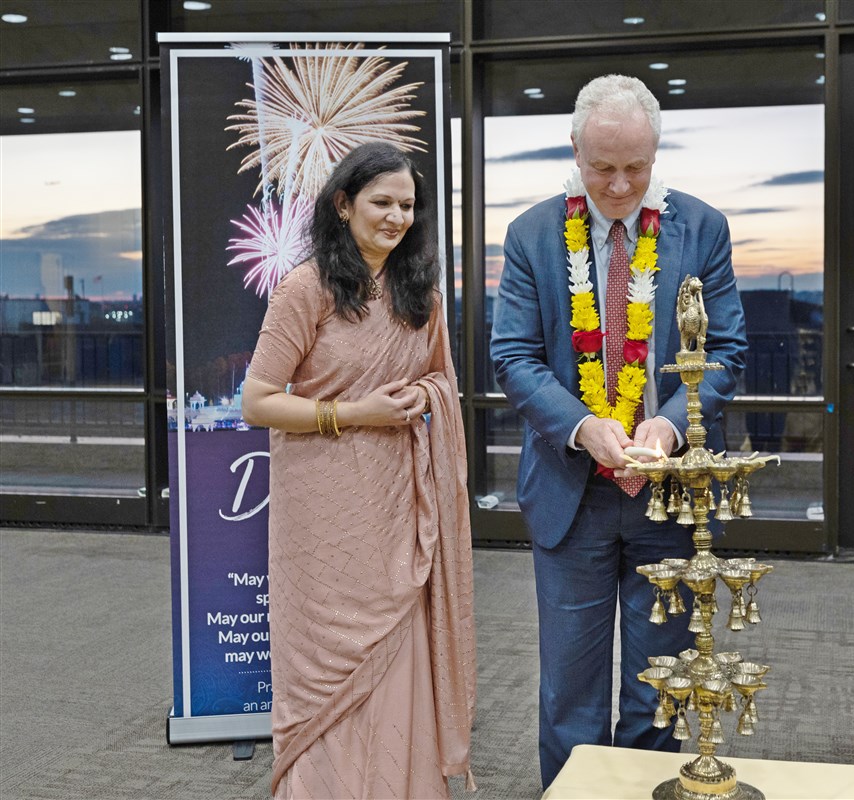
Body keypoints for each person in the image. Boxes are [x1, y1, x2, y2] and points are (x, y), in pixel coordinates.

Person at [490, 74, 748, 789]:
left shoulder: (702, 228)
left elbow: (727, 351)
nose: (619, 185)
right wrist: (581, 427)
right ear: (575, 150)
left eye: (636, 167)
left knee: (657, 685)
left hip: (669, 497)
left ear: (655, 153)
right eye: (602, 167)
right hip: (570, 493)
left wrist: (670, 425)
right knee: (569, 692)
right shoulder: (532, 235)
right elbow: (513, 357)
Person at [241, 142, 475, 799]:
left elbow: (440, 382)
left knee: (398, 643)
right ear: (343, 205)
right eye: (382, 202)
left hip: (400, 500)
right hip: (322, 508)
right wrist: (355, 412)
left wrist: (423, 398)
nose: (397, 216)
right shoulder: (306, 289)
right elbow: (257, 401)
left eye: (407, 205)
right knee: (326, 661)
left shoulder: (420, 295)